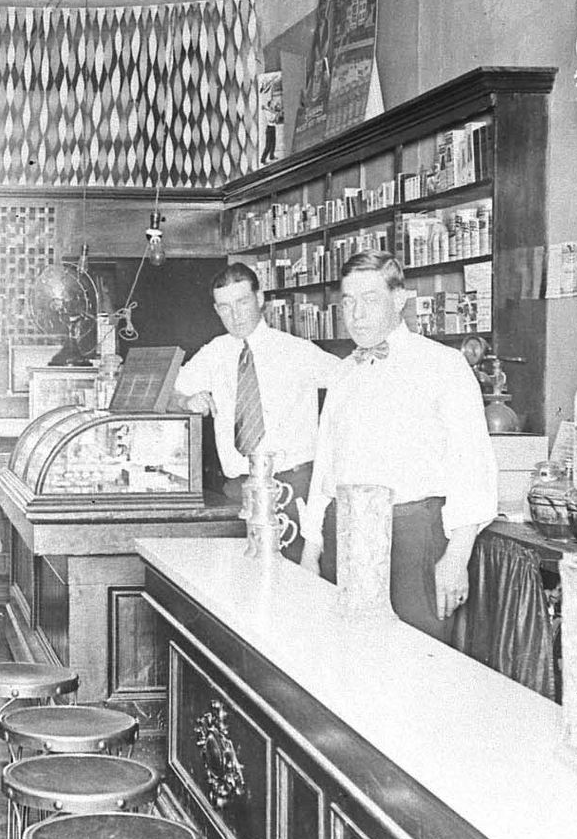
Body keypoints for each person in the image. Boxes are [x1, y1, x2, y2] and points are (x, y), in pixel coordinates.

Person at [300, 251, 498, 644]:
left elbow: (472, 467)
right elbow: (326, 466)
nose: (356, 314)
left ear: (399, 299)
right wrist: (312, 547)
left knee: (413, 660)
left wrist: (457, 556)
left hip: (412, 539)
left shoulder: (443, 365)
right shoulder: (343, 374)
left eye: (370, 299)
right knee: (343, 656)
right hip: (344, 537)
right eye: (348, 302)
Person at [173, 262, 338, 560]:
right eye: (225, 307)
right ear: (216, 310)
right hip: (239, 490)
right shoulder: (215, 352)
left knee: (296, 578)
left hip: (292, 487)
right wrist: (187, 402)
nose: (235, 315)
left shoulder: (297, 350)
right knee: (243, 578)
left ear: (260, 299)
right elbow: (171, 392)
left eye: (242, 302)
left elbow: (350, 382)